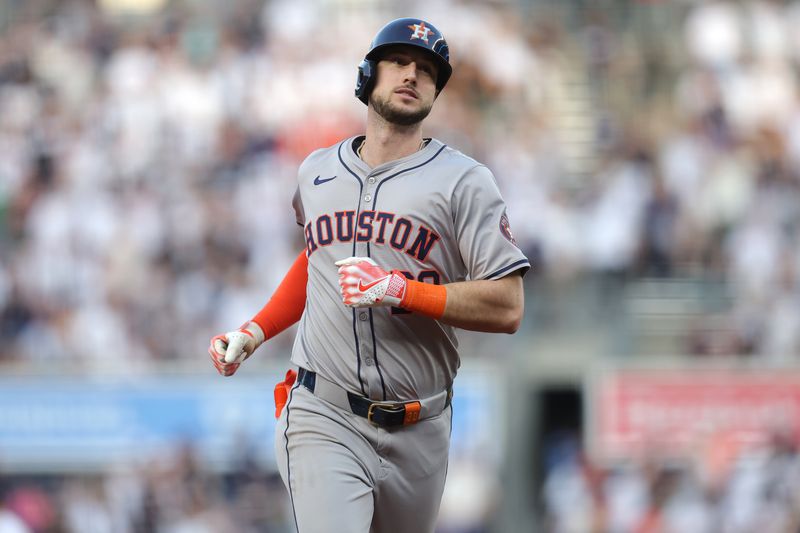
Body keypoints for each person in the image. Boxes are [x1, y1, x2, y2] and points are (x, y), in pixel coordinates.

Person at [209, 17, 529, 533]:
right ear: (368, 75)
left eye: (427, 70)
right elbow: (319, 260)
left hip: (419, 425)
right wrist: (256, 330)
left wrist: (402, 290)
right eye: (399, 61)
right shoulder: (317, 171)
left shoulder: (465, 181)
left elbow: (508, 305)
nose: (412, 74)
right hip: (324, 410)